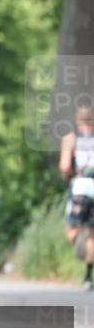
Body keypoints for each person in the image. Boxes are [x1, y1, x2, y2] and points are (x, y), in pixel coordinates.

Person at [59, 105, 94, 290]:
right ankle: (88, 278)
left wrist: (69, 177)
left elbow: (64, 167)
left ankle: (78, 235)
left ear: (78, 121)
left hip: (80, 188)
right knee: (92, 236)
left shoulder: (71, 139)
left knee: (71, 230)